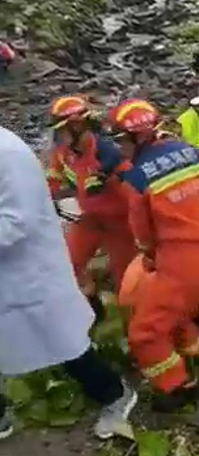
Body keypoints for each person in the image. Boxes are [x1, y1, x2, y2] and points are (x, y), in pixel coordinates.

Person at [0, 125, 137, 441]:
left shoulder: (8, 153)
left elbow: (19, 221)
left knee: (62, 342)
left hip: (27, 270)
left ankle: (114, 394)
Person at [107, 99, 199, 411]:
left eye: (121, 140)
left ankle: (178, 386)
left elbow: (143, 234)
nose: (120, 148)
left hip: (179, 263)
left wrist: (152, 257)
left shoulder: (138, 178)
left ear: (138, 138)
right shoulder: (190, 153)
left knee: (143, 332)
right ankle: (196, 341)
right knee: (179, 308)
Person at [46, 95, 137, 318]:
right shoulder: (62, 153)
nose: (58, 136)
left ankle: (133, 323)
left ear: (78, 125)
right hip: (89, 221)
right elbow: (53, 181)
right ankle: (94, 309)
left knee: (127, 280)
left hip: (120, 225)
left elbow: (135, 193)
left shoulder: (110, 154)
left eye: (62, 130)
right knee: (68, 265)